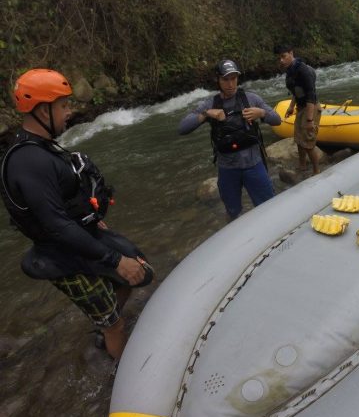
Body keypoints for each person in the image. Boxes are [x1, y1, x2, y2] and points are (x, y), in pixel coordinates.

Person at [0, 69, 153, 361]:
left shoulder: (42, 148)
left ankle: (104, 324)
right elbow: (55, 224)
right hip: (60, 255)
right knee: (116, 324)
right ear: (42, 110)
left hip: (79, 237)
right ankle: (116, 360)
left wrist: (92, 218)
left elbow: (63, 201)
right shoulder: (28, 161)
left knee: (136, 276)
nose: (70, 112)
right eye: (63, 106)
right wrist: (115, 260)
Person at [178, 59, 280, 220]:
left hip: (254, 165)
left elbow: (277, 120)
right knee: (233, 213)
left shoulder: (251, 99)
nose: (230, 84)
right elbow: (182, 128)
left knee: (268, 209)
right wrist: (205, 114)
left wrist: (262, 113)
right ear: (217, 80)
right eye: (225, 79)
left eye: (233, 78)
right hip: (227, 169)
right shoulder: (211, 103)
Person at [276, 45, 322, 175]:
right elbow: (297, 92)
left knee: (308, 142)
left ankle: (316, 171)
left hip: (310, 108)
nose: (281, 60)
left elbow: (310, 95)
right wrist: (291, 106)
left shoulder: (303, 70)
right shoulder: (290, 69)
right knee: (298, 139)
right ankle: (302, 165)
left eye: (284, 56)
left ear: (291, 53)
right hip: (300, 107)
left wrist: (309, 120)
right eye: (279, 58)